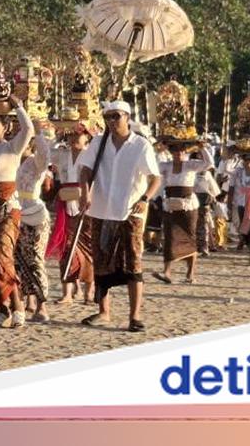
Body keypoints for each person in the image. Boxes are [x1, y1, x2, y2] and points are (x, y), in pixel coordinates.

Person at [78, 101, 161, 333]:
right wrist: (85, 194)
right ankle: (104, 311)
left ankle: (135, 315)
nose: (112, 122)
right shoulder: (99, 142)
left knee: (133, 261)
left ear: (127, 117)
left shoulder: (140, 145)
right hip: (101, 209)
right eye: (108, 117)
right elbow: (85, 169)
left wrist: (145, 198)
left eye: (116, 117)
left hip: (129, 211)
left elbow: (155, 178)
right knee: (101, 262)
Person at [0, 95, 34, 329]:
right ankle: (3, 310)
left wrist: (17, 105)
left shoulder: (12, 147)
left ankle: (19, 306)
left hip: (8, 209)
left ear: (6, 127)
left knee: (4, 258)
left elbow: (29, 129)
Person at [48, 109, 95, 304]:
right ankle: (67, 292)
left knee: (89, 248)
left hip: (87, 203)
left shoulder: (92, 155)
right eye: (72, 134)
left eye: (79, 134)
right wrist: (59, 133)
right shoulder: (61, 154)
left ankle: (88, 291)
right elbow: (45, 151)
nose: (75, 138)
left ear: (87, 137)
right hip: (66, 203)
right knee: (67, 248)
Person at [153, 142, 213, 284]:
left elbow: (209, 163)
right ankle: (167, 272)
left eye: (181, 152)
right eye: (174, 151)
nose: (178, 154)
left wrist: (201, 147)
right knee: (169, 238)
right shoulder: (166, 166)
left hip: (188, 207)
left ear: (185, 152)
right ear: (171, 153)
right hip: (171, 206)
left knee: (189, 238)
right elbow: (153, 168)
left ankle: (190, 273)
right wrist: (159, 150)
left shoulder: (191, 165)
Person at [15, 127, 53, 323]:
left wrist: (37, 133)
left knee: (35, 259)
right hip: (14, 214)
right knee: (17, 261)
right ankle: (23, 302)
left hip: (35, 215)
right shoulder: (9, 160)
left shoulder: (34, 163)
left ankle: (41, 304)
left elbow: (46, 155)